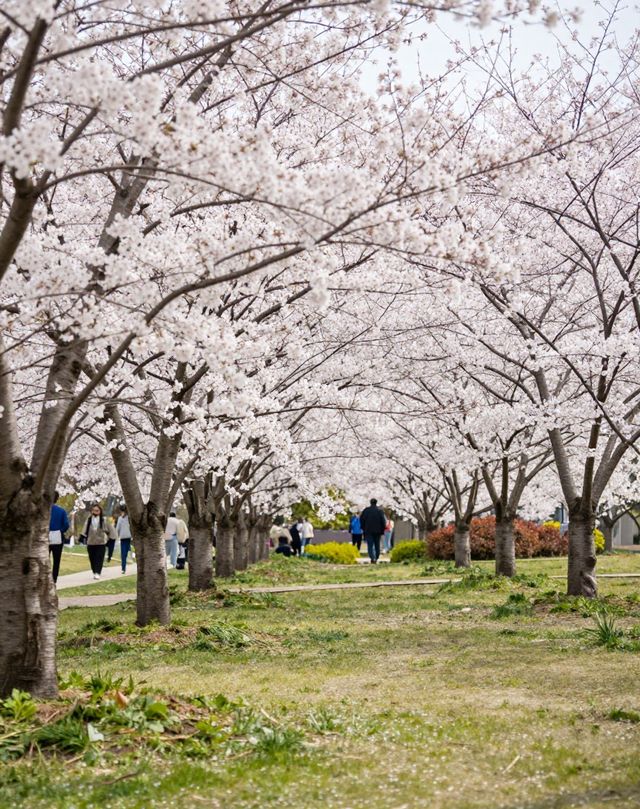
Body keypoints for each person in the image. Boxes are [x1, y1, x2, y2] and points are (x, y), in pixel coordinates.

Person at [80, 503, 117, 580]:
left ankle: (98, 572)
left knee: (99, 558)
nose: (95, 512)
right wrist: (82, 536)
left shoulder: (104, 520)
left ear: (100, 511)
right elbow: (84, 529)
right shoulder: (89, 520)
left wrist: (111, 538)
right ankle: (94, 571)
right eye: (94, 510)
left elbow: (111, 530)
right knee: (92, 558)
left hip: (101, 543)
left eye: (97, 510)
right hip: (90, 542)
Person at [49, 491, 70, 584]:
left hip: (45, 537)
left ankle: (46, 577)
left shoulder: (44, 510)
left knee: (45, 559)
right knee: (56, 560)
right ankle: (54, 579)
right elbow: (66, 524)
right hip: (58, 538)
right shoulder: (61, 511)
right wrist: (60, 531)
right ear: (57, 499)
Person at [360, 498, 386, 564]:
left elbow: (362, 520)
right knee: (377, 545)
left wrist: (363, 528)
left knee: (370, 545)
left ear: (370, 503)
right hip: (378, 531)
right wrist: (382, 530)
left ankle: (372, 558)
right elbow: (383, 521)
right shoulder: (380, 511)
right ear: (376, 503)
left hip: (368, 530)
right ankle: (376, 557)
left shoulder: (366, 510)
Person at [115, 504, 132, 574]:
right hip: (123, 539)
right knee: (123, 554)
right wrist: (116, 536)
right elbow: (117, 529)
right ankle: (123, 568)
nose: (123, 513)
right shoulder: (120, 519)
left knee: (131, 552)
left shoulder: (129, 518)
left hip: (130, 538)